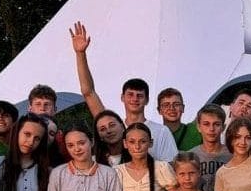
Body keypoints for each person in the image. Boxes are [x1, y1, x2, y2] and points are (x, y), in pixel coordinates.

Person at [71, 21, 178, 161]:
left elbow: (170, 167)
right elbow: (88, 92)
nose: (135, 99)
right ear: (122, 97)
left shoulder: (161, 132)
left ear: (147, 100)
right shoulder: (113, 126)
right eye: (130, 95)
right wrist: (80, 54)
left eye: (140, 96)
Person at [187, 104, 230, 191]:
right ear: (199, 127)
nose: (211, 129)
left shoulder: (232, 155)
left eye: (216, 124)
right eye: (206, 124)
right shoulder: (189, 157)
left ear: (223, 127)